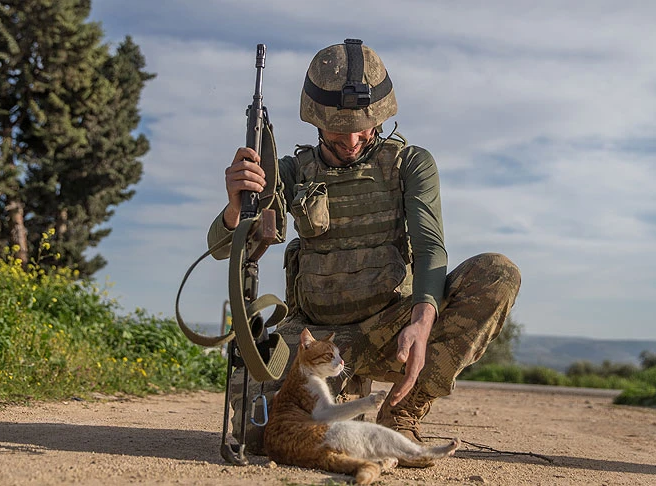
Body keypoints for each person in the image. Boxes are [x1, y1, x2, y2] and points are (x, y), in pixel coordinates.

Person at [207, 39, 521, 464]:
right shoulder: (290, 172)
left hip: (391, 331)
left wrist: (422, 322)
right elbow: (224, 250)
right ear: (316, 121)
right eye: (339, 128)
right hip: (317, 339)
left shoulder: (410, 163)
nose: (353, 140)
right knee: (263, 439)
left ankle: (403, 409)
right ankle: (347, 397)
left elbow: (430, 247)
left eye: (363, 126)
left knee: (497, 273)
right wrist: (234, 207)